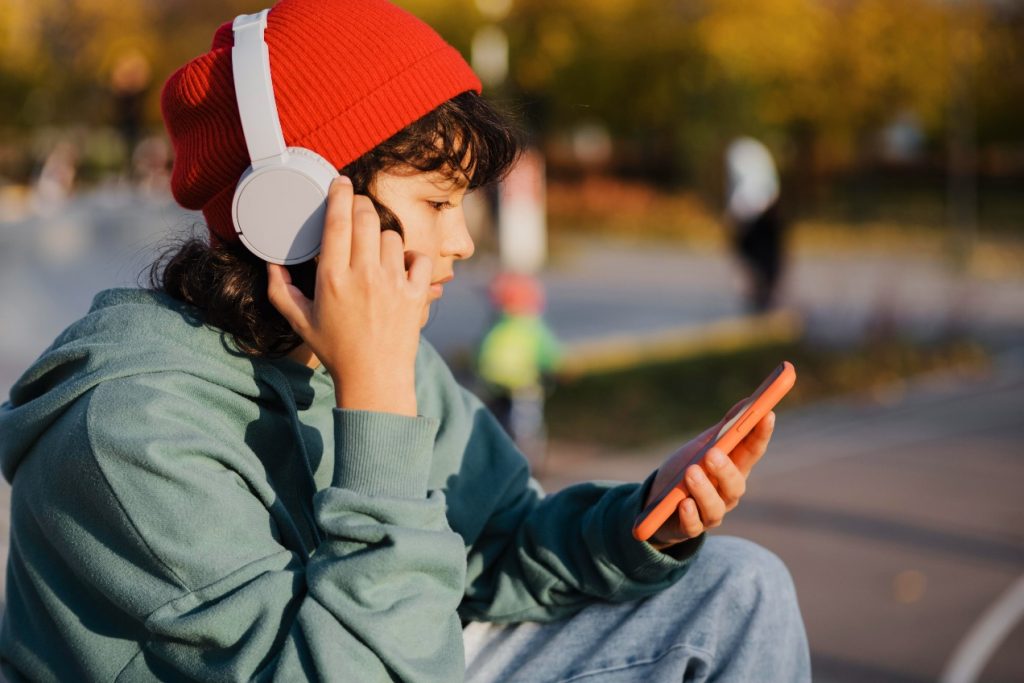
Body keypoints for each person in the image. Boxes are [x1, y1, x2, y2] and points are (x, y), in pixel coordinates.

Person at [0, 1, 810, 680]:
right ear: (300, 211)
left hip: (395, 644)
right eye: (435, 203)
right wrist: (377, 406)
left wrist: (638, 520)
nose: (460, 242)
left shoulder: (381, 358)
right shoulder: (128, 431)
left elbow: (490, 544)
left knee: (740, 586)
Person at [476, 271, 561, 470]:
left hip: (523, 385)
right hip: (494, 385)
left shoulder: (532, 326)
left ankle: (528, 461)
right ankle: (500, 457)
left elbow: (548, 350)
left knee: (524, 424)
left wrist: (555, 367)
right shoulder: (499, 323)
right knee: (495, 423)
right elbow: (485, 348)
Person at [724, 136, 787, 313]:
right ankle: (762, 295)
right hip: (761, 214)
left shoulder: (740, 153)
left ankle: (761, 295)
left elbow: (743, 191)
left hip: (752, 218)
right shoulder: (748, 152)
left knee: (758, 260)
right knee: (762, 261)